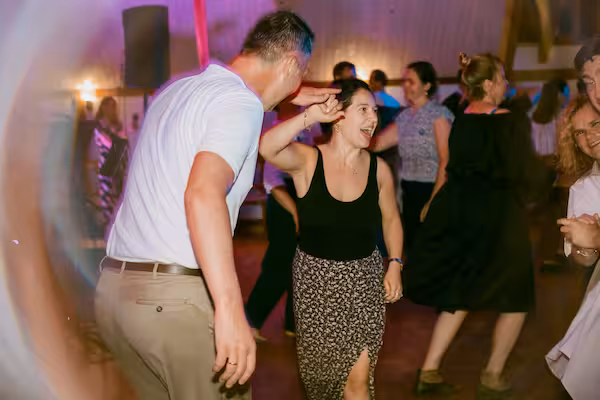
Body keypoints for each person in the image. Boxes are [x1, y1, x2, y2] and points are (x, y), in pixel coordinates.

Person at [94, 11, 338, 400]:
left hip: (116, 296)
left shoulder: (175, 91)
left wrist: (291, 93)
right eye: (302, 71)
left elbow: (231, 107)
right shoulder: (240, 103)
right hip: (171, 304)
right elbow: (203, 193)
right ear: (292, 63)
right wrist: (230, 310)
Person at [402, 53, 549, 399]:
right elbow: (525, 171)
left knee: (460, 293)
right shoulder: (509, 122)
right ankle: (492, 376)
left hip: (463, 215)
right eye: (502, 77)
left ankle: (429, 371)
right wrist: (548, 181)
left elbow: (453, 168)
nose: (506, 83)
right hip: (500, 218)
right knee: (516, 297)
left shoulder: (462, 119)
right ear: (488, 84)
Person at [260, 79, 404, 399]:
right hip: (316, 285)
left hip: (364, 281)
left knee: (357, 383)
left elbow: (392, 218)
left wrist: (395, 262)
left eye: (375, 111)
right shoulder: (308, 161)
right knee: (323, 385)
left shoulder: (378, 169)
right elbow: (267, 147)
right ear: (338, 116)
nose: (373, 119)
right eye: (363, 110)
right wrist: (310, 116)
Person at [546, 97, 600, 400]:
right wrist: (585, 247)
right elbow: (583, 261)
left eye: (595, 123)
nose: (589, 136)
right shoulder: (584, 189)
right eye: (579, 132)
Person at [370, 61, 453, 255]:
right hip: (408, 190)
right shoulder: (405, 117)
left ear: (427, 86)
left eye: (411, 81)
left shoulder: (438, 115)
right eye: (404, 81)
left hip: (432, 188)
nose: (406, 86)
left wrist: (434, 201)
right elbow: (378, 144)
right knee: (413, 248)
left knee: (431, 250)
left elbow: (446, 160)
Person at [245, 156, 299, 341]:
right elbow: (273, 183)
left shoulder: (309, 136)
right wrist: (295, 212)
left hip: (299, 197)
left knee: (300, 266)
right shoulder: (278, 140)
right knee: (279, 264)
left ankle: (293, 325)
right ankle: (251, 321)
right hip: (282, 201)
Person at [93, 96, 127, 231]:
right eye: (109, 106)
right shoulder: (98, 126)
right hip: (106, 167)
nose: (112, 109)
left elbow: (123, 142)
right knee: (107, 202)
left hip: (117, 169)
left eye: (114, 106)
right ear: (103, 107)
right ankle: (107, 229)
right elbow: (105, 142)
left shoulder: (117, 125)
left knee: (118, 202)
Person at [530, 79, 568, 157]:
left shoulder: (533, 113)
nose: (566, 97)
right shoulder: (558, 118)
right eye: (565, 94)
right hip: (547, 158)